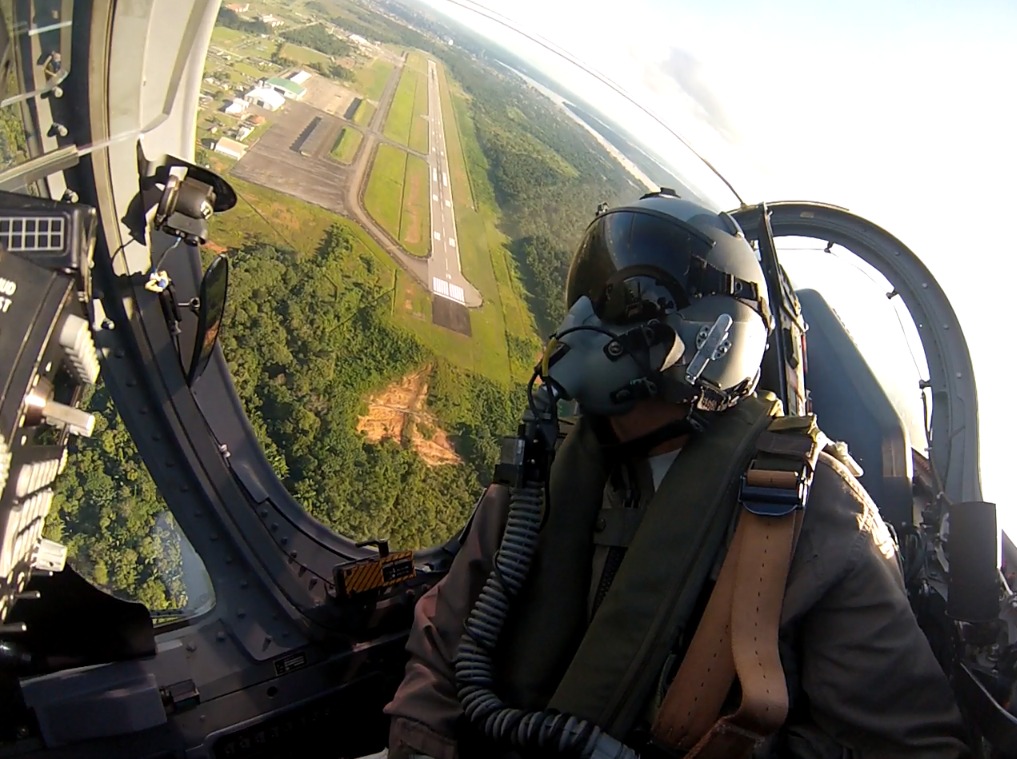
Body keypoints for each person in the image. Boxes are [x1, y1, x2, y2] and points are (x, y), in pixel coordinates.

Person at [379, 191, 970, 759]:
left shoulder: (815, 515)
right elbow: (447, 632)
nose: (584, 320)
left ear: (713, 343)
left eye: (629, 301)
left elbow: (910, 746)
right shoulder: (554, 458)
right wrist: (422, 745)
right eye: (588, 296)